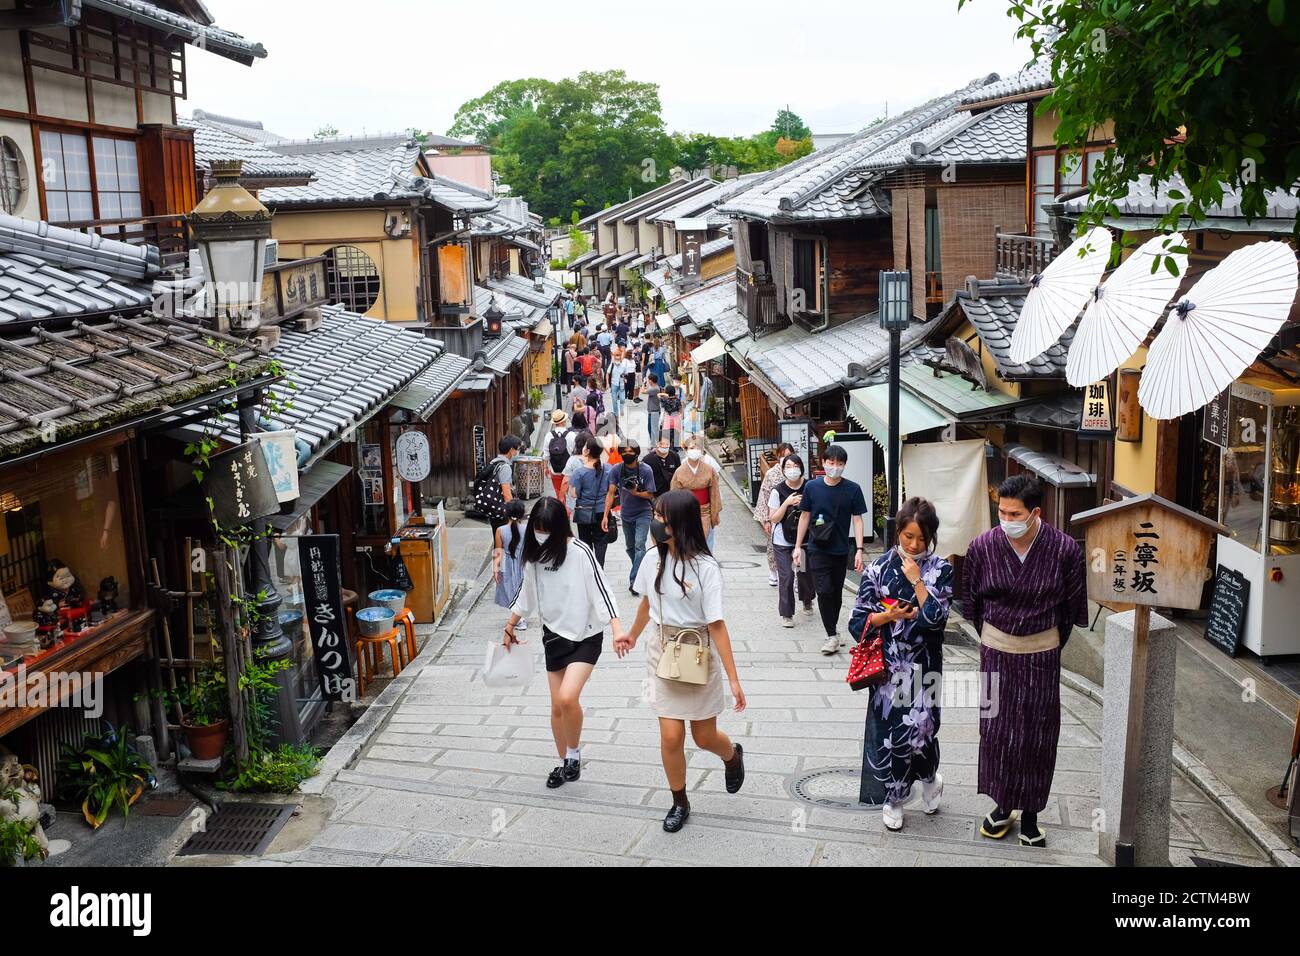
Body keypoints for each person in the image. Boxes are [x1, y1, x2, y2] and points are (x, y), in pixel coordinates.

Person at [962, 474, 1087, 848]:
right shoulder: (982, 546)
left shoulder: (1065, 549)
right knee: (998, 730)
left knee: (1038, 732)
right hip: (996, 648)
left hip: (1041, 651)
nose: (1005, 518)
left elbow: (1069, 610)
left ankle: (1031, 814)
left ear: (1035, 512)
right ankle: (1003, 805)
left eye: (1014, 512)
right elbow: (973, 605)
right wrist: (998, 636)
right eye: (1001, 510)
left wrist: (1043, 640)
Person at [614, 490, 746, 832]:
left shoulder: (706, 568)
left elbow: (717, 625)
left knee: (703, 737)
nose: (656, 523)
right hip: (662, 650)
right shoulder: (650, 559)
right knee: (671, 736)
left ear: (680, 523)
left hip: (698, 650)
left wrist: (733, 680)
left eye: (661, 518)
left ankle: (732, 755)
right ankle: (679, 801)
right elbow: (647, 603)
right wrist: (631, 633)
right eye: (655, 516)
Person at [848, 497, 953, 831]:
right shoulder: (878, 570)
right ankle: (894, 798)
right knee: (894, 736)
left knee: (923, 733)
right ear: (898, 533)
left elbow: (936, 619)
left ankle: (929, 777)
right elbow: (856, 622)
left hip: (926, 667)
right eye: (908, 536)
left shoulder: (941, 569)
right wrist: (887, 615)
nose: (914, 544)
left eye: (922, 538)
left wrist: (918, 581)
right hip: (890, 669)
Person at [505, 498, 622, 789]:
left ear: (559, 529)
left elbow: (602, 592)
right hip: (554, 636)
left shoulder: (580, 552)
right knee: (557, 706)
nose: (541, 534)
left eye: (546, 530)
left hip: (586, 634)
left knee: (568, 697)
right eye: (537, 529)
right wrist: (509, 625)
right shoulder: (533, 556)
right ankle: (564, 761)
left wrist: (617, 629)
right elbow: (526, 595)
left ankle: (573, 754)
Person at [793, 443, 866, 655]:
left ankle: (833, 630)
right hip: (817, 548)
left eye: (840, 463)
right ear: (823, 463)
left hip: (841, 549)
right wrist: (798, 546)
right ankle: (831, 635)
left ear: (844, 465)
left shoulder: (852, 489)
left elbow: (858, 520)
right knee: (823, 590)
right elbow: (805, 516)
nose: (835, 466)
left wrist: (859, 549)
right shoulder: (812, 488)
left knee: (835, 593)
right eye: (831, 462)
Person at [603, 438, 656, 594]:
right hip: (626, 514)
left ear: (637, 453)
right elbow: (611, 493)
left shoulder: (646, 470)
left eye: (631, 451)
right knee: (630, 547)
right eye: (624, 452)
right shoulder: (616, 470)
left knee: (640, 545)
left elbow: (651, 494)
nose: (628, 454)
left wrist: (636, 493)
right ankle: (641, 573)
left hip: (643, 513)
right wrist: (606, 515)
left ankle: (634, 581)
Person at [768, 453, 815, 627]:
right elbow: (773, 518)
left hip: (803, 539)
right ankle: (787, 614)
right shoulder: (777, 490)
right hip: (782, 541)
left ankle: (807, 599)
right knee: (786, 576)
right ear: (783, 470)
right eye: (788, 467)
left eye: (795, 466)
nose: (792, 470)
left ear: (801, 468)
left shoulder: (809, 487)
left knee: (803, 574)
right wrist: (787, 502)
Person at [753, 443, 796, 587]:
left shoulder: (797, 472)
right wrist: (766, 519)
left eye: (789, 455)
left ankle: (797, 577)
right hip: (775, 514)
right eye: (783, 456)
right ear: (778, 457)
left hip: (795, 515)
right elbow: (764, 495)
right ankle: (773, 571)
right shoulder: (772, 474)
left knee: (797, 546)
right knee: (773, 545)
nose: (785, 458)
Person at [671, 435, 722, 551]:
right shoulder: (679, 471)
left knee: (707, 546)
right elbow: (674, 494)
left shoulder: (709, 470)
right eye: (691, 448)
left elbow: (714, 493)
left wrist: (714, 513)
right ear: (686, 450)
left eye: (697, 448)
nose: (694, 451)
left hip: (705, 511)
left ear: (702, 451)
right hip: (686, 512)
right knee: (688, 546)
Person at [569, 437, 614, 566]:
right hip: (602, 511)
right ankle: (599, 569)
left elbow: (574, 494)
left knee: (585, 543)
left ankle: (589, 569)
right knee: (601, 543)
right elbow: (611, 490)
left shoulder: (579, 472)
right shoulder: (608, 468)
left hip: (584, 512)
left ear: (587, 451)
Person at [493, 499, 528, 630]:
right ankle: (520, 618)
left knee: (511, 590)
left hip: (507, 564)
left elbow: (498, 552)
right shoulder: (527, 528)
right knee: (522, 590)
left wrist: (496, 569)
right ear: (522, 513)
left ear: (506, 513)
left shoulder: (500, 530)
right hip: (523, 562)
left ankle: (519, 618)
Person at [558, 428, 593, 514]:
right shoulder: (595, 459)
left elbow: (566, 481)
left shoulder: (572, 460)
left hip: (577, 501)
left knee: (581, 524)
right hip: (594, 499)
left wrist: (561, 497)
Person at [546, 410, 576, 499]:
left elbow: (546, 455)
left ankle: (560, 508)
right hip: (569, 470)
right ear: (563, 421)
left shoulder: (548, 435)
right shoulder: (571, 435)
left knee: (559, 493)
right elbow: (576, 452)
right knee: (569, 495)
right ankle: (567, 512)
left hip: (554, 470)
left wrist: (545, 468)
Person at [643, 436, 680, 502]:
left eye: (667, 444)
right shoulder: (647, 460)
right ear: (656, 443)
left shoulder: (675, 456)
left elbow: (679, 475)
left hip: (673, 494)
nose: (664, 446)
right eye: (661, 443)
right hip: (656, 496)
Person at [660, 385, 683, 452]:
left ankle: (669, 447)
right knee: (676, 433)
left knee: (667, 435)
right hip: (676, 419)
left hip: (668, 419)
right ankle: (676, 447)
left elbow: (659, 396)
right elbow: (680, 410)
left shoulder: (664, 400)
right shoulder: (678, 400)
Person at [644, 372, 662, 446]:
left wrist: (643, 385)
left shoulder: (654, 389)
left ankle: (656, 444)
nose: (648, 381)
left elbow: (643, 391)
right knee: (650, 428)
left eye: (648, 379)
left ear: (651, 380)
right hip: (652, 411)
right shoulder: (655, 387)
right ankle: (653, 443)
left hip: (654, 411)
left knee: (653, 429)